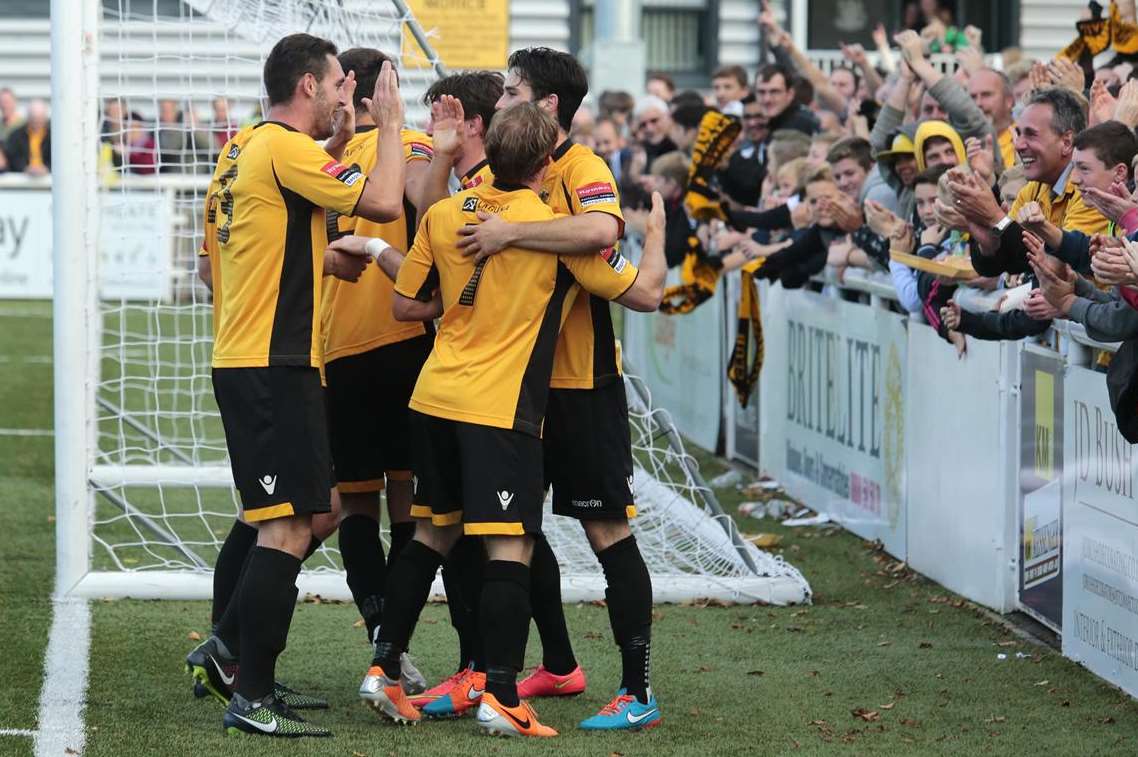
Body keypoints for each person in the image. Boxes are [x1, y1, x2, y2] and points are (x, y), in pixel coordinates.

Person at [363, 102, 666, 737]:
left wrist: (463, 282)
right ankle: (501, 694)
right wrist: (658, 236)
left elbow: (405, 304)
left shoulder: (446, 215)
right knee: (510, 545)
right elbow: (644, 292)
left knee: (429, 536)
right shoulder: (554, 230)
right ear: (546, 163)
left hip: (433, 399)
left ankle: (384, 668)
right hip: (499, 411)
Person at [185, 32, 408, 739]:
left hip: (257, 357)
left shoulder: (244, 147)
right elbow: (383, 198)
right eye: (341, 82)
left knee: (299, 517)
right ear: (309, 86)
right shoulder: (286, 149)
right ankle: (244, 686)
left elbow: (214, 263)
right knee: (287, 525)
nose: (349, 93)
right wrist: (392, 121)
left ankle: (237, 662)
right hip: (273, 363)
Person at [457, 46, 665, 732]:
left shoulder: (582, 167)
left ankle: (636, 689)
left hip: (580, 384)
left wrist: (514, 232)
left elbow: (606, 232)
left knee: (606, 529)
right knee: (514, 529)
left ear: (547, 105)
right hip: (514, 387)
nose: (502, 98)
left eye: (513, 89)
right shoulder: (504, 165)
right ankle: (551, 663)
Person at [308, 46, 441, 709]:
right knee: (408, 504)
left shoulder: (318, 161)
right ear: (384, 89)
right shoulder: (410, 143)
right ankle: (393, 645)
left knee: (356, 504)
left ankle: (386, 645)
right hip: (403, 335)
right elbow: (419, 195)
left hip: (338, 346)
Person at [950, 87, 1110, 276]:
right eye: (1018, 133)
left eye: (1031, 134)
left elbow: (1062, 264)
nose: (1018, 145)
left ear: (1066, 142)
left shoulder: (1090, 190)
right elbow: (1011, 263)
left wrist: (996, 218)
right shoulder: (1033, 189)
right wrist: (989, 243)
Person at [719, 94, 768, 207]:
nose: (752, 123)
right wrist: (723, 170)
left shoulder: (775, 150)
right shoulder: (736, 158)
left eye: (758, 116)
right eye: (747, 117)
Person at [969, 68, 1017, 170]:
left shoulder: (1023, 140)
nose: (978, 103)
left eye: (986, 95)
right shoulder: (962, 142)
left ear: (1009, 100)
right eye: (972, 97)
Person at [754, 63, 819, 138]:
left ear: (790, 94)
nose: (767, 99)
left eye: (774, 92)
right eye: (761, 92)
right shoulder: (764, 123)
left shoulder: (802, 125)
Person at [6, 99, 49, 175]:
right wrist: (25, 168)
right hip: (22, 181)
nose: (36, 122)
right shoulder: (16, 136)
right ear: (28, 117)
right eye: (34, 118)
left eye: (39, 118)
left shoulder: (53, 136)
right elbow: (13, 158)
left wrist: (47, 168)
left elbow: (58, 158)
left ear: (45, 118)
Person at [634, 94, 677, 165]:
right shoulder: (639, 151)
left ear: (667, 117)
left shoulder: (680, 146)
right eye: (643, 124)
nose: (649, 128)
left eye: (654, 120)